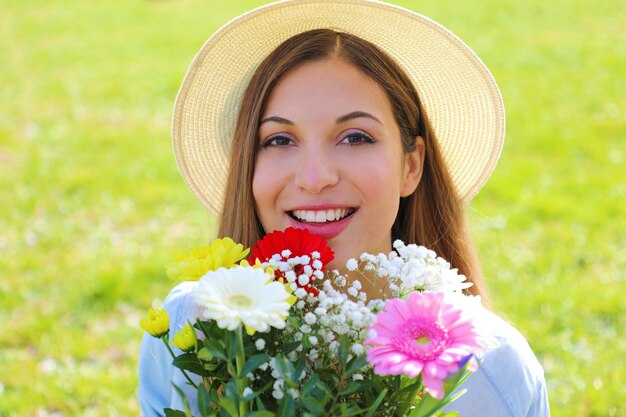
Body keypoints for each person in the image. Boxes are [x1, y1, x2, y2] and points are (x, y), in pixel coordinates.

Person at [139, 1, 550, 416]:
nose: (315, 178)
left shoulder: (492, 371)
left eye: (355, 137)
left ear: (411, 165)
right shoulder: (189, 330)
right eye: (279, 140)